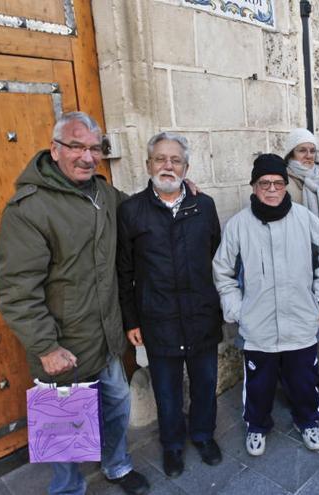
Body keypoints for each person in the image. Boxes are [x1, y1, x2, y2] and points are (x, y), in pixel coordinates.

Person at [0, 112, 149, 495]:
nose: (87, 156)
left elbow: (140, 212)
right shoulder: (29, 208)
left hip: (106, 337)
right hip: (64, 343)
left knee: (117, 405)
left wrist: (175, 190)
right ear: (55, 149)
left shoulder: (103, 193)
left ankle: (116, 465)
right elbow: (17, 288)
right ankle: (68, 489)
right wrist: (45, 346)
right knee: (63, 430)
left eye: (94, 148)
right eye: (77, 146)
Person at [213, 154, 319, 455]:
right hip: (259, 325)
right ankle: (257, 426)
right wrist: (237, 310)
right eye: (264, 183)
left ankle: (307, 420)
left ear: (285, 186)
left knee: (304, 380)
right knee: (259, 384)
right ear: (254, 186)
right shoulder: (239, 225)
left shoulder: (305, 219)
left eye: (278, 183)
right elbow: (222, 270)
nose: (271, 189)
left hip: (300, 321)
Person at [117, 132, 223, 478]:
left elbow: (216, 256)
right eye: (160, 159)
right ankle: (173, 446)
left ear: (186, 166)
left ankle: (204, 436)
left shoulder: (203, 206)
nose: (167, 165)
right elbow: (125, 271)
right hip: (157, 318)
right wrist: (131, 320)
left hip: (201, 315)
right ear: (148, 164)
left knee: (206, 383)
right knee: (166, 391)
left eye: (175, 160)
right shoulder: (131, 211)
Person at [284, 129, 319, 379]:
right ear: (291, 153)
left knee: (315, 316)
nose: (308, 155)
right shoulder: (283, 179)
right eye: (301, 150)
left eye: (312, 150)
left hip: (317, 255)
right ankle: (296, 373)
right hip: (293, 258)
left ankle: (310, 369)